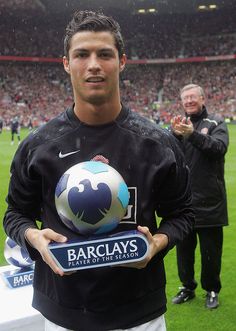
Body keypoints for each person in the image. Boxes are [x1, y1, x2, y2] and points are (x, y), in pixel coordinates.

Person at [3, 10, 194, 331]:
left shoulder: (157, 143)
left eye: (104, 54)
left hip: (140, 315)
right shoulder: (38, 145)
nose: (93, 64)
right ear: (66, 63)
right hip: (62, 313)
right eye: (81, 54)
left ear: (121, 62)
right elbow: (15, 215)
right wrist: (34, 237)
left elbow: (184, 213)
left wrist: (157, 243)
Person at [171, 84, 229, 309]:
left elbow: (218, 148)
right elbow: (167, 153)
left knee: (210, 252)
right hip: (184, 202)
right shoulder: (178, 125)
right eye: (185, 98)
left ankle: (212, 289)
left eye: (193, 97)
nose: (188, 101)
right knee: (184, 252)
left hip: (210, 201)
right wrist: (174, 136)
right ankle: (187, 287)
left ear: (203, 99)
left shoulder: (216, 122)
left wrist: (192, 135)